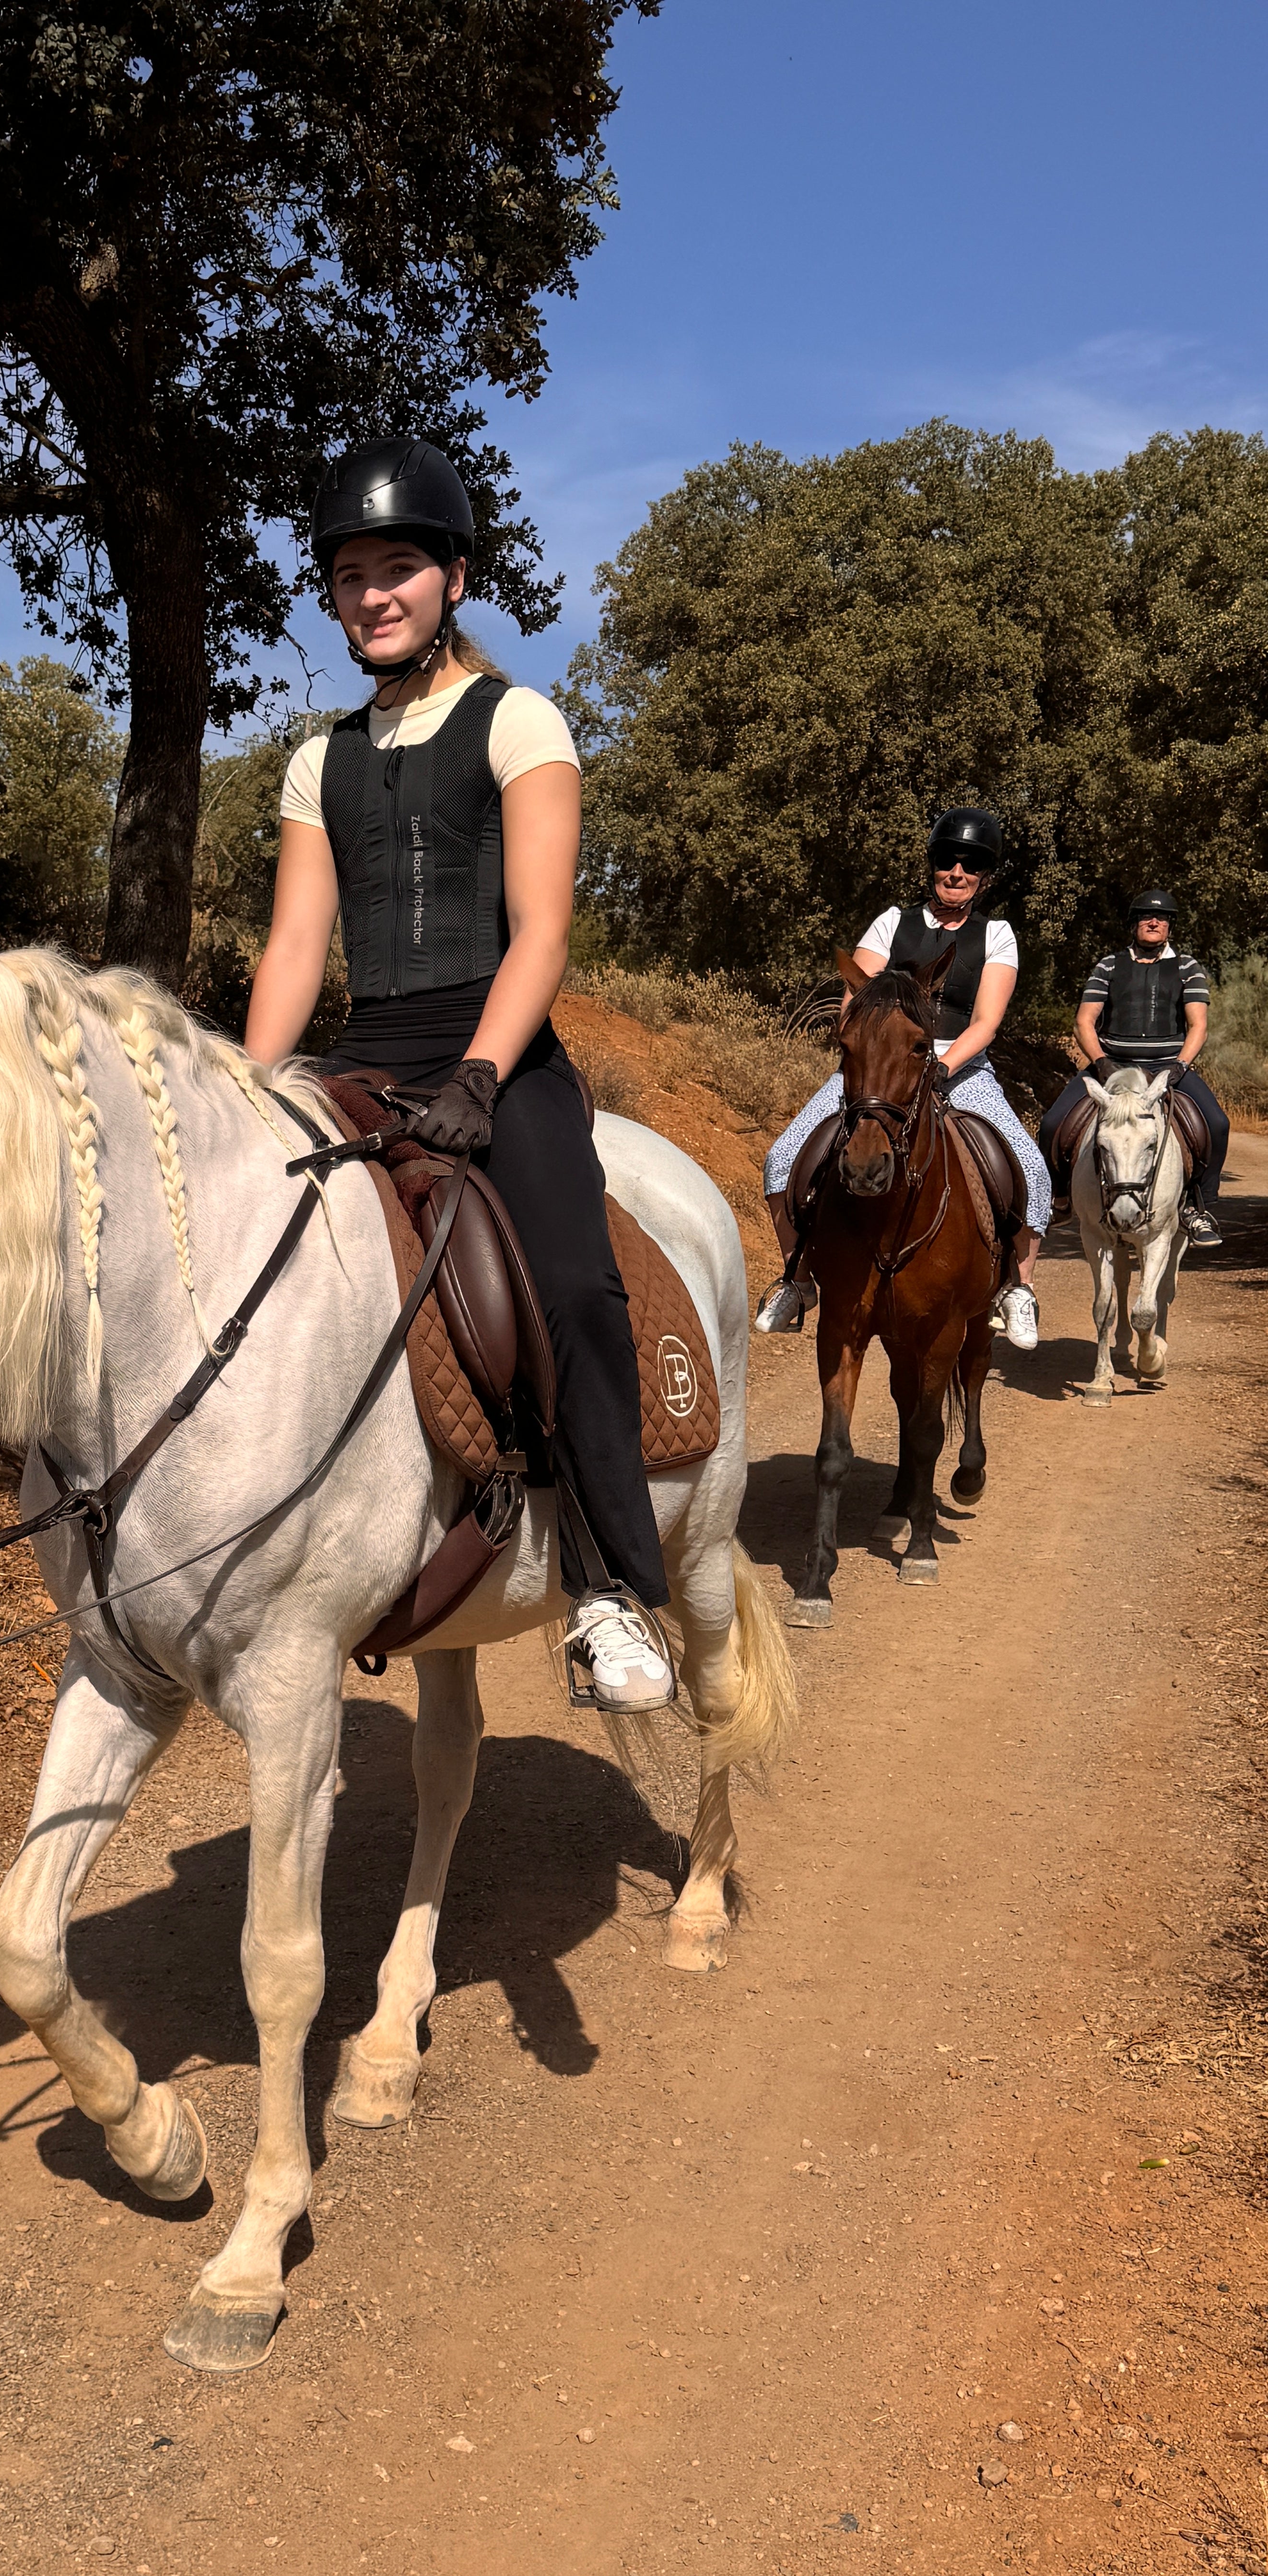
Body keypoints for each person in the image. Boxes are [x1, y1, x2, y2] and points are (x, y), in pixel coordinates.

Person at [244, 437, 674, 1710]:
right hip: (365, 1051)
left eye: (398, 569)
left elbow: (542, 930)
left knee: (573, 1286)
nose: (373, 595)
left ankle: (611, 1583)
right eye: (350, 577)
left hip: (498, 1050)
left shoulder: (517, 721)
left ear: (453, 578)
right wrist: (247, 1089)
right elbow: (296, 947)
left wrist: (483, 1075)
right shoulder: (317, 760)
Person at [754, 806, 1054, 1349]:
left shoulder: (997, 935)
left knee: (1032, 1168)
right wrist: (876, 1055)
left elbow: (986, 1022)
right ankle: (796, 1279)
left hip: (958, 1067)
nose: (957, 873)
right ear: (933, 865)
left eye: (971, 865)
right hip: (881, 1065)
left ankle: (1019, 1289)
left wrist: (942, 1067)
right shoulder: (892, 923)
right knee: (782, 1158)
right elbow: (853, 1001)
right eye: (948, 861)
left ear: (985, 877)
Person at [1036, 891, 1227, 1248]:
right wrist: (1101, 1062)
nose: (1154, 923)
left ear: (1170, 926)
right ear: (1133, 924)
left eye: (1162, 918)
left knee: (1218, 1125)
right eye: (1146, 917)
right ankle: (1059, 1199)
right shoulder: (1109, 966)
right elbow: (1084, 1022)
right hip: (1112, 1064)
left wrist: (1180, 1066)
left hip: (1167, 1067)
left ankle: (1199, 1206)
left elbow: (1198, 1025)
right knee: (1051, 1124)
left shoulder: (1188, 968)